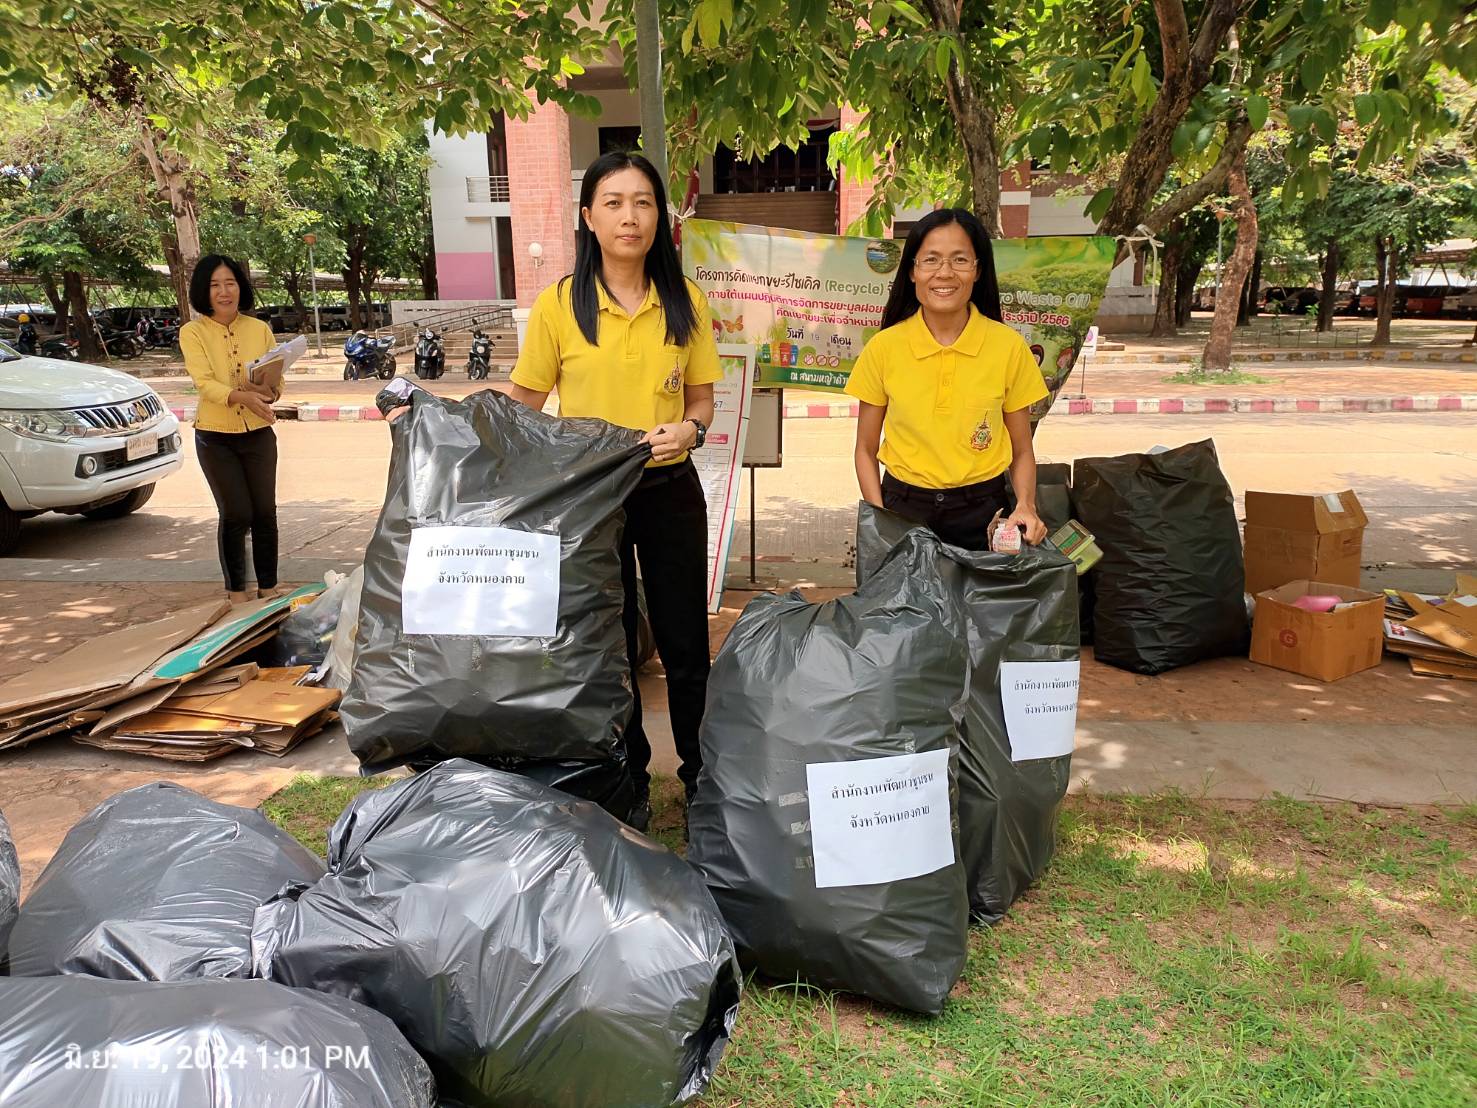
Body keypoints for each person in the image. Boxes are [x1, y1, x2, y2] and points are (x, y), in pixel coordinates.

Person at [508, 151, 720, 831]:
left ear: (660, 217)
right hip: (589, 501)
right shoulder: (560, 305)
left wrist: (689, 430)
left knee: (686, 648)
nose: (629, 217)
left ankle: (699, 781)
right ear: (587, 217)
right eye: (613, 202)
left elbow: (703, 401)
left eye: (643, 203)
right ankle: (623, 782)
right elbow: (522, 406)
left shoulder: (684, 302)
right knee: (605, 650)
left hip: (668, 491)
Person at [845, 208, 1049, 551]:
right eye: (931, 260)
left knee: (981, 606)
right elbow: (865, 450)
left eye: (959, 260)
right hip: (903, 510)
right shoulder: (884, 348)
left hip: (984, 514)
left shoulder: (1008, 347)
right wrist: (881, 519)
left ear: (977, 270)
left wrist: (1025, 505)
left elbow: (1021, 450)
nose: (944, 273)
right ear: (912, 271)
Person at [179, 254, 286, 604]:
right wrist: (240, 394)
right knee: (237, 513)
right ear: (203, 291)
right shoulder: (192, 332)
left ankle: (268, 589)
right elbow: (204, 383)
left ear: (241, 286)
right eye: (215, 285)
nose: (224, 291)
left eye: (230, 283)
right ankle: (236, 594)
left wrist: (270, 391)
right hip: (215, 437)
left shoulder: (260, 329)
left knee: (264, 513)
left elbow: (275, 382)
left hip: (258, 432)